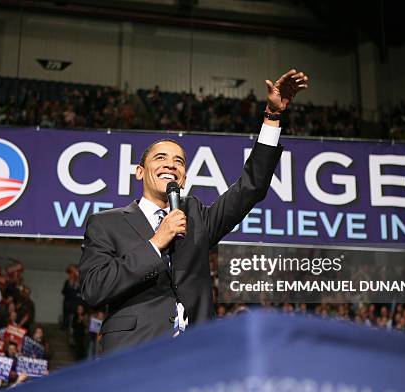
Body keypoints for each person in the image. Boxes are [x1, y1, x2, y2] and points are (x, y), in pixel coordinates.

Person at [79, 69, 309, 353]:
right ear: (140, 172)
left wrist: (272, 118)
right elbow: (93, 289)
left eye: (179, 161)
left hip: (197, 354)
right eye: (160, 158)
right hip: (134, 353)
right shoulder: (106, 223)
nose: (170, 164)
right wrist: (155, 243)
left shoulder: (197, 215)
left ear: (184, 177)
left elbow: (251, 187)